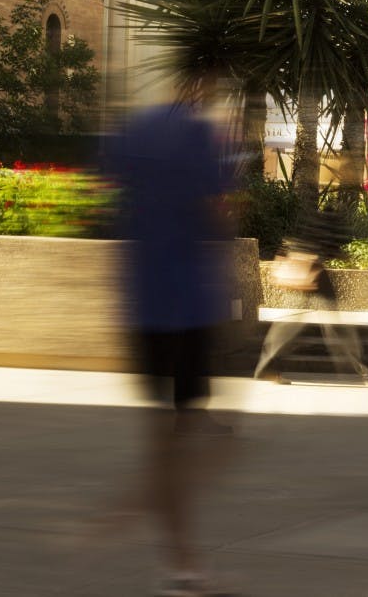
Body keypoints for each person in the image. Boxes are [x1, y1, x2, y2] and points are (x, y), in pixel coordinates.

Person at [104, 78, 239, 597]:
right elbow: (219, 214)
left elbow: (106, 193)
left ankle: (178, 554)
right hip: (187, 304)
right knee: (188, 437)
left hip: (143, 304)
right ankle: (176, 553)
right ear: (203, 84)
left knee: (168, 432)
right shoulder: (202, 135)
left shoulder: (132, 130)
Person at [252, 203, 368, 385]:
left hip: (303, 271)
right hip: (314, 275)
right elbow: (329, 249)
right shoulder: (331, 223)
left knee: (288, 324)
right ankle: (360, 369)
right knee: (334, 324)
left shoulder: (312, 222)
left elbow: (296, 245)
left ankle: (266, 368)